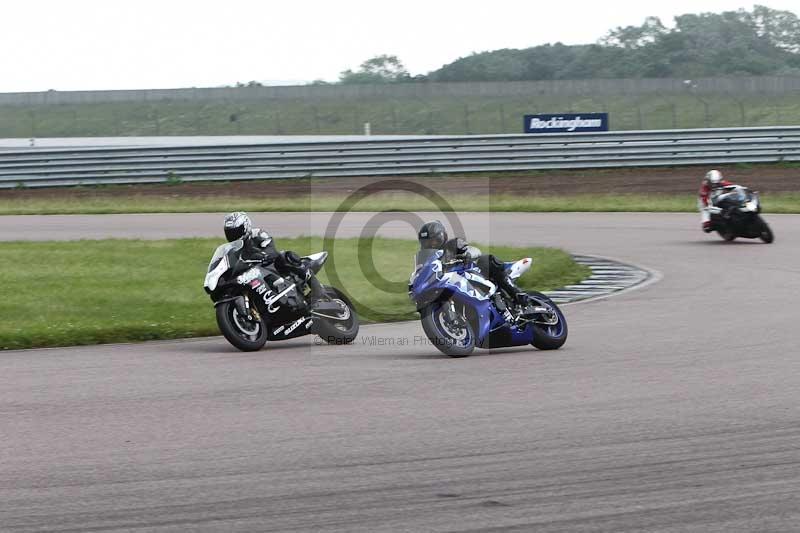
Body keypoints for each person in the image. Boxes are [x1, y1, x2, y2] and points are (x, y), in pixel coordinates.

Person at [417, 220, 534, 318]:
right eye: (426, 242)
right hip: (454, 284)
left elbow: (475, 251)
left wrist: (466, 255)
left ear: (441, 237)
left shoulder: (452, 245)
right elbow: (423, 272)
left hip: (473, 272)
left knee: (487, 260)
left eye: (432, 241)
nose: (430, 245)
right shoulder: (427, 259)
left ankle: (517, 294)